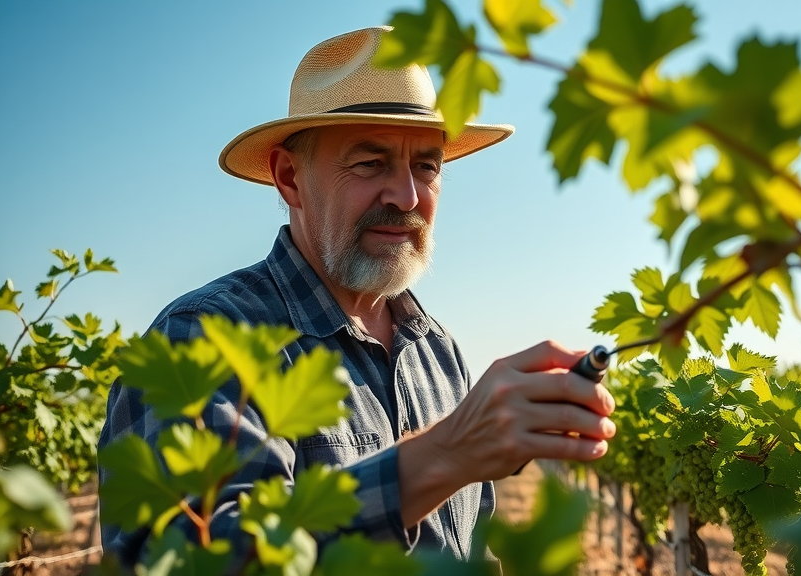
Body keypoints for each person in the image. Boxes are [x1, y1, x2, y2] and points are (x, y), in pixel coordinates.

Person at [98, 26, 616, 566]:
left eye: (427, 166)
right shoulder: (205, 338)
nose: (407, 196)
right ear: (290, 177)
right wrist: (446, 452)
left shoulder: (437, 351)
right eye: (370, 164)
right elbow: (192, 560)